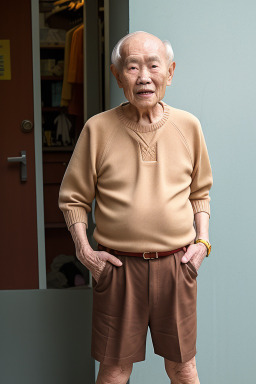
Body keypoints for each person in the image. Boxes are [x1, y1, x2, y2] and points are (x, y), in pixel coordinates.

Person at [59, 31, 213, 384]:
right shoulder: (97, 129)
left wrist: (202, 244)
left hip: (177, 264)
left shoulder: (189, 126)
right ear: (117, 76)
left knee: (183, 367)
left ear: (169, 73)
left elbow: (200, 191)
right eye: (132, 67)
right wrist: (84, 251)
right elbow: (73, 199)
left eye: (153, 65)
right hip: (117, 268)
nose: (144, 76)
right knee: (114, 370)